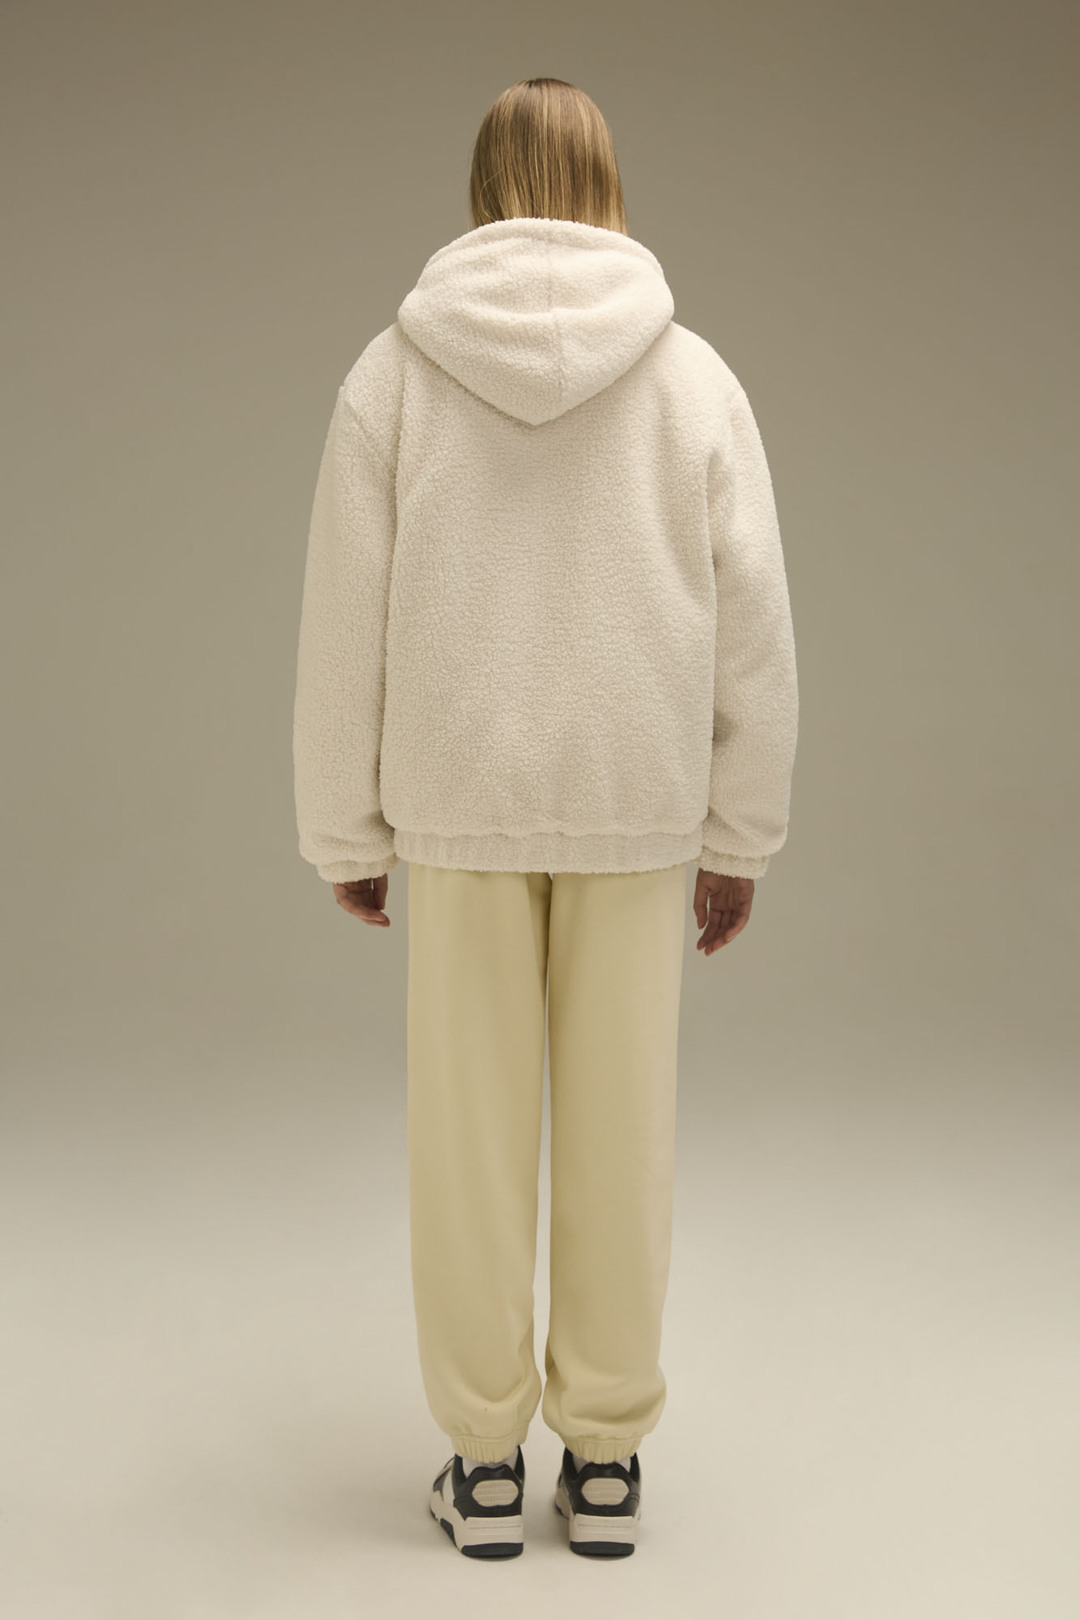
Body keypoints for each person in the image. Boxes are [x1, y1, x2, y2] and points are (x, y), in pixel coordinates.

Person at [292, 76, 799, 1559]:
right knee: (622, 1140)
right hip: (639, 811)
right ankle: (611, 1460)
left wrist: (345, 829)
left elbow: (344, 623)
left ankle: (484, 1467)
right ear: (606, 179)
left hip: (458, 811)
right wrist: (740, 835)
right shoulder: (693, 381)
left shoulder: (394, 377)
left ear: (484, 183)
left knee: (467, 1146)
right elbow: (756, 630)